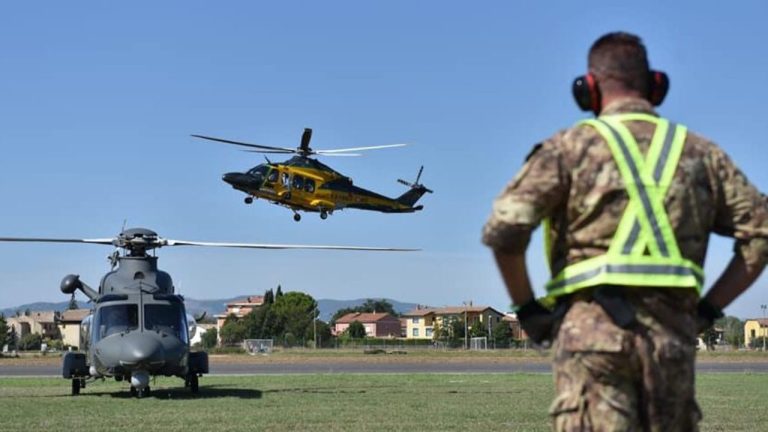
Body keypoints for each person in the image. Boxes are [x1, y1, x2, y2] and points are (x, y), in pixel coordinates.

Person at [482, 32, 768, 431]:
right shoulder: (702, 155)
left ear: (588, 89)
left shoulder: (567, 149)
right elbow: (760, 234)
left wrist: (529, 311)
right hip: (671, 338)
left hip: (590, 339)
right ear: (656, 85)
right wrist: (707, 310)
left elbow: (504, 231)